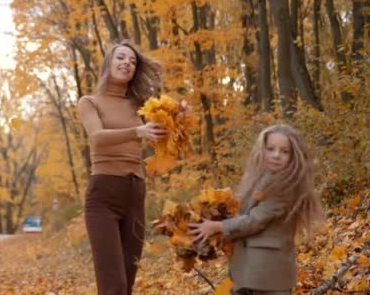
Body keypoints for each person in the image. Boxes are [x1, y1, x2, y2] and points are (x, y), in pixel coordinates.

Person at [188, 124, 324, 295]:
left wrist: (215, 227)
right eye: (271, 149)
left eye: (284, 151)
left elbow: (255, 221)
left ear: (293, 156)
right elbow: (242, 212)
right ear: (262, 150)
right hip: (252, 268)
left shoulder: (286, 187)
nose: (276, 155)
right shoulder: (262, 178)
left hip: (269, 271)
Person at [78, 40, 167, 295]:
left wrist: (177, 116)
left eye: (132, 61)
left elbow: (162, 132)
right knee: (113, 286)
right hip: (103, 196)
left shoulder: (140, 105)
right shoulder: (90, 102)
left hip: (135, 194)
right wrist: (137, 130)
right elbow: (97, 138)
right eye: (121, 58)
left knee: (126, 284)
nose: (127, 63)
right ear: (108, 63)